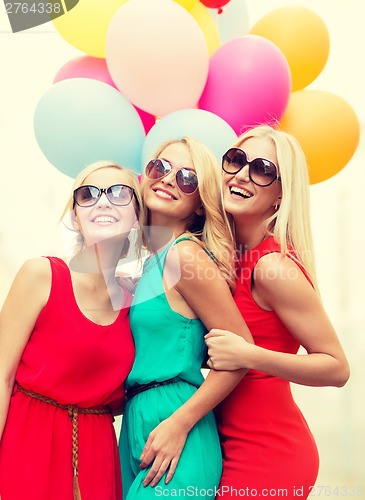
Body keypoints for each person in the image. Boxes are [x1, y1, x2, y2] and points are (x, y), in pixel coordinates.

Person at [204, 125, 350, 499]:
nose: (241, 175)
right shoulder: (225, 258)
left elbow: (336, 367)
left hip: (267, 452)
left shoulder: (271, 266)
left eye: (263, 169)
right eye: (236, 161)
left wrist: (248, 354)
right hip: (223, 444)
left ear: (280, 195)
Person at [118, 137, 254, 499]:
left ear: (199, 205)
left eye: (187, 178)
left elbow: (241, 354)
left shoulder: (186, 257)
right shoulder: (152, 263)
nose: (167, 179)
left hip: (177, 423)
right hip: (137, 420)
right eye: (160, 168)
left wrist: (179, 423)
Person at [0, 161, 143, 500]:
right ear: (76, 216)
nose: (103, 201)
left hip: (97, 448)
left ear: (137, 217)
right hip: (28, 439)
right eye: (88, 194)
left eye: (120, 193)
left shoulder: (135, 302)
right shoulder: (42, 275)